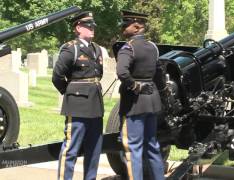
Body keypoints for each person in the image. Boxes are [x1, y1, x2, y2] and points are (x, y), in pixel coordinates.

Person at [52, 11, 104, 180]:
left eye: (93, 26)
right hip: (77, 105)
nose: (92, 29)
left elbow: (98, 74)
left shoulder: (96, 49)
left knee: (94, 150)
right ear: (78, 27)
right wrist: (71, 93)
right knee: (71, 150)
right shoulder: (71, 48)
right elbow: (57, 76)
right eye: (88, 26)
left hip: (95, 106)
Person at [116, 10, 167, 180]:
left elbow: (122, 73)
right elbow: (159, 73)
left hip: (134, 103)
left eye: (126, 25)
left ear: (137, 27)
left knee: (132, 149)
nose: (123, 28)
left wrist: (135, 86)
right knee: (152, 145)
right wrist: (161, 92)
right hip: (152, 101)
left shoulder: (128, 48)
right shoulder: (152, 47)